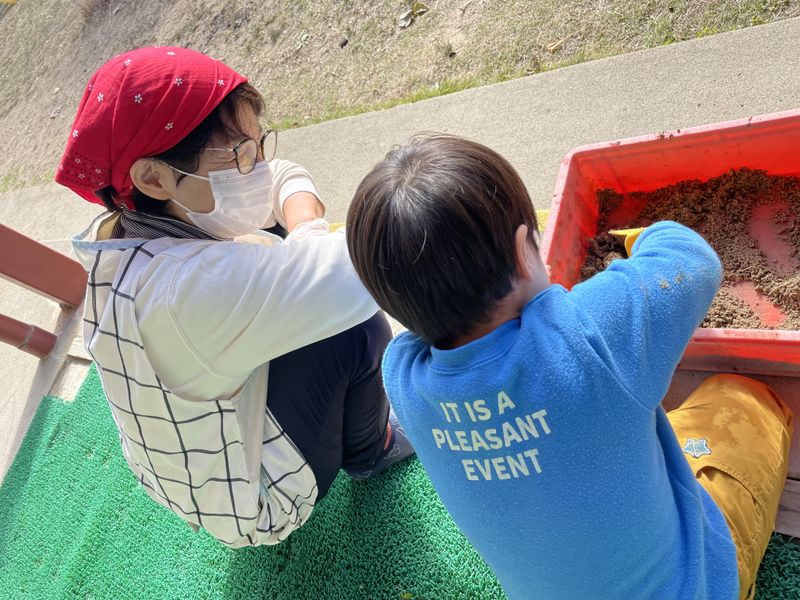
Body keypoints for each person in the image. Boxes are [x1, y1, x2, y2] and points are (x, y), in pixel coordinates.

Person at [345, 134, 793, 600]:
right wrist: (640, 235)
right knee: (741, 398)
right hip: (694, 588)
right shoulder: (585, 337)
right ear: (524, 251)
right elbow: (691, 258)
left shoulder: (403, 379)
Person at [56, 46, 412, 548]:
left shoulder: (134, 226)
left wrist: (302, 227)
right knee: (356, 329)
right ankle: (372, 450)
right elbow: (358, 272)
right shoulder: (187, 291)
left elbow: (281, 174)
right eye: (240, 155)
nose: (258, 166)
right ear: (154, 177)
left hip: (196, 469)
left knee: (276, 240)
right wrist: (308, 237)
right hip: (255, 501)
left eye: (256, 145)